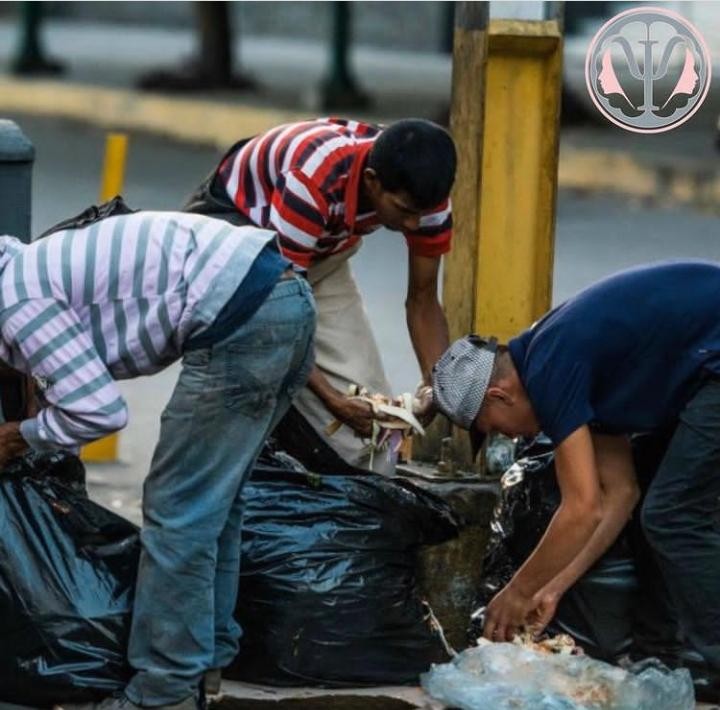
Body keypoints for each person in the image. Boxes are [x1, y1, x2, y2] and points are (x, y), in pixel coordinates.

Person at [0, 211, 316, 709]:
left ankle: (163, 691)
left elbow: (98, 410)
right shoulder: (25, 270)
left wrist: (21, 436)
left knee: (178, 510)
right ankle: (207, 656)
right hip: (286, 296)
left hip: (244, 315)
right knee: (216, 504)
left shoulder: (15, 301)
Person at [432, 260, 720, 678]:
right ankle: (663, 658)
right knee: (655, 508)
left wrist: (517, 593)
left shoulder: (550, 364)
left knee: (673, 515)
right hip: (703, 369)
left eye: (493, 429)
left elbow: (580, 508)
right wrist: (553, 586)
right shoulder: (554, 362)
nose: (508, 439)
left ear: (499, 395)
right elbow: (619, 495)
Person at [184, 117, 456, 474]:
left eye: (421, 214)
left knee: (375, 440)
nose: (413, 226)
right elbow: (278, 311)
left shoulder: (426, 200)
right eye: (404, 212)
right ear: (372, 182)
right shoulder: (314, 178)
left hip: (315, 254)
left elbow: (423, 301)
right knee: (243, 397)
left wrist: (436, 388)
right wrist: (334, 401)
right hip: (239, 245)